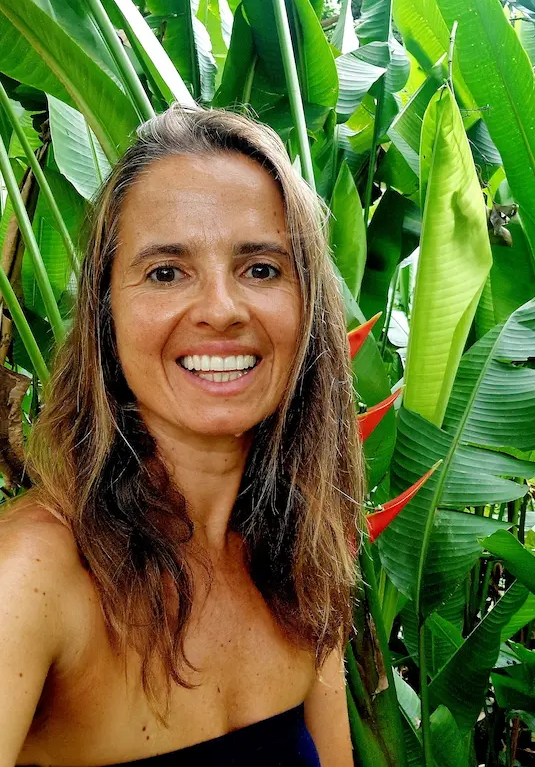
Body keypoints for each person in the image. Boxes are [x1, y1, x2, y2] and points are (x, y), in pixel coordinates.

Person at [0, 106, 364, 767]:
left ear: (308, 304)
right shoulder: (35, 574)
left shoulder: (301, 551)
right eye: (167, 272)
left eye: (261, 269)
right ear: (105, 312)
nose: (222, 310)